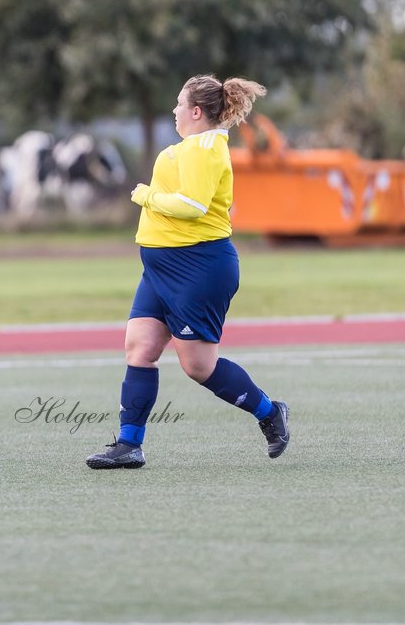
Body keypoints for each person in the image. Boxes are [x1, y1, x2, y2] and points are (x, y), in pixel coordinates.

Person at [85, 74, 290, 470]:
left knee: (198, 366)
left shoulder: (208, 148)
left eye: (179, 104)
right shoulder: (190, 146)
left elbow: (192, 205)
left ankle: (270, 412)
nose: (175, 110)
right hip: (160, 268)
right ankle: (129, 445)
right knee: (139, 349)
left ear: (196, 111)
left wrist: (146, 195)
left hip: (198, 267)